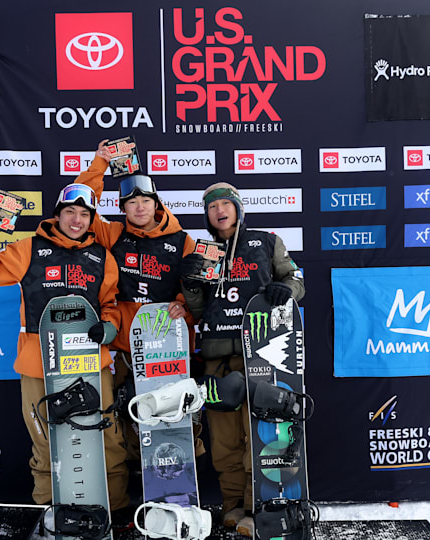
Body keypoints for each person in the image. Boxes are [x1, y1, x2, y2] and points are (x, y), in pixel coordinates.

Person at [0, 183, 130, 518]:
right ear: (57, 215)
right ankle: (50, 513)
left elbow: (110, 303)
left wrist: (109, 326)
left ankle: (117, 510)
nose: (77, 220)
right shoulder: (29, 249)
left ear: (91, 220)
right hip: (38, 360)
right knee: (46, 439)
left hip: (89, 361)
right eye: (70, 212)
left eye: (84, 214)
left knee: (107, 438)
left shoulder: (102, 257)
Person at [180, 182, 305, 538]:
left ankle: (256, 508)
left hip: (262, 354)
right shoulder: (203, 251)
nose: (219, 211)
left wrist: (286, 290)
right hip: (217, 359)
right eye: (212, 206)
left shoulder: (266, 242)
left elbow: (296, 279)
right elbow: (198, 309)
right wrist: (190, 284)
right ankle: (232, 505)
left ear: (237, 208)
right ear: (206, 215)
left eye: (225, 204)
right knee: (224, 441)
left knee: (259, 437)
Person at [76, 140, 202, 467]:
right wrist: (100, 163)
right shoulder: (114, 234)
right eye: (131, 203)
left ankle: (183, 476)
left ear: (156, 204)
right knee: (128, 415)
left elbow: (197, 287)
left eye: (145, 200)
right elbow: (81, 206)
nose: (140, 208)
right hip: (127, 347)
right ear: (123, 208)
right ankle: (139, 480)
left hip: (169, 348)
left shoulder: (182, 240)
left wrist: (184, 307)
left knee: (175, 415)